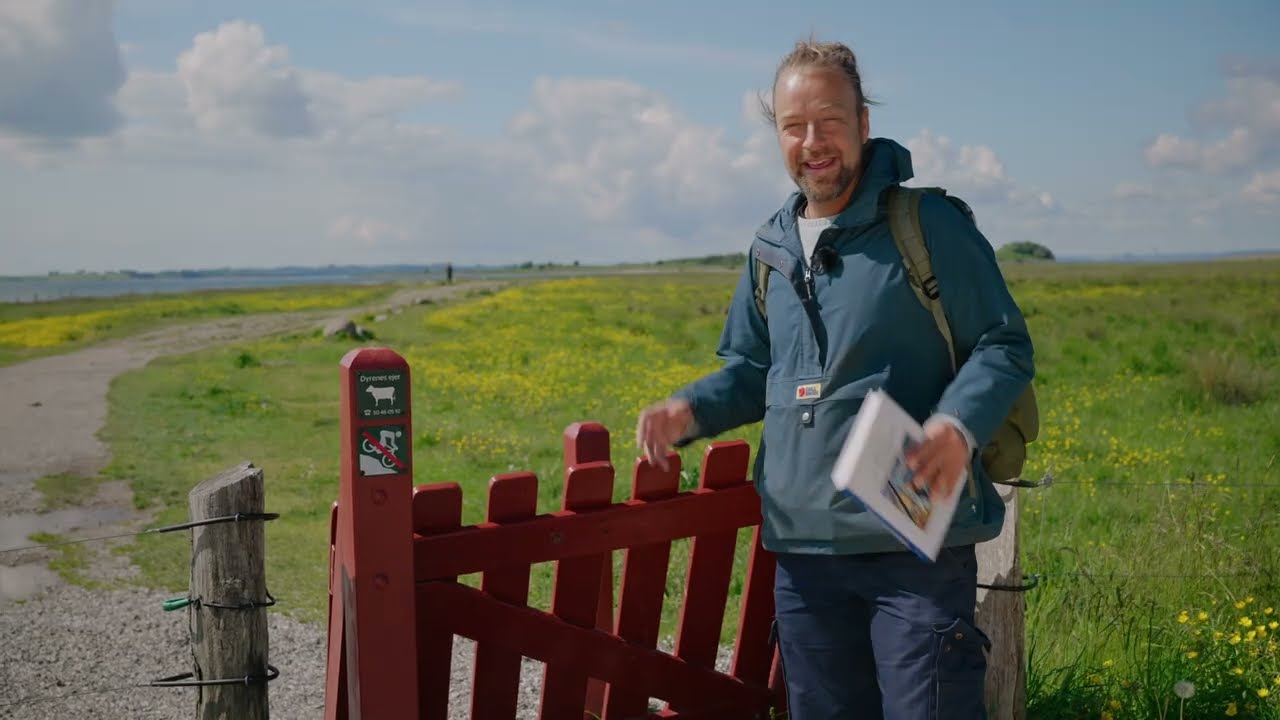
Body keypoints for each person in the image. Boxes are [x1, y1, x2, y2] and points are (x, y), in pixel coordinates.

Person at [635, 37, 1034, 720]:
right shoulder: (770, 249)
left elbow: (1003, 344)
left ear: (863, 126)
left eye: (830, 121)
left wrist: (955, 426)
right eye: (795, 126)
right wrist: (689, 411)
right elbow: (754, 371)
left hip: (913, 552)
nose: (813, 142)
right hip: (803, 560)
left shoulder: (925, 224)